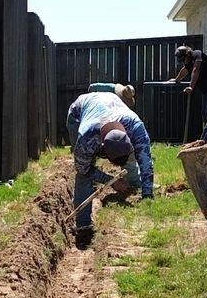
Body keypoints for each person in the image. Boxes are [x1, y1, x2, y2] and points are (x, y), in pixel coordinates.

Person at [65, 88, 154, 242]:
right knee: (84, 174)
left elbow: (145, 161)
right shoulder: (87, 137)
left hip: (109, 103)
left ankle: (134, 185)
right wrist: (109, 181)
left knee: (137, 157)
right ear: (103, 149)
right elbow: (83, 169)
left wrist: (148, 195)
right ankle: (83, 225)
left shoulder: (136, 127)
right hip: (78, 113)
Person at [171, 45, 207, 140]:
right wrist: (176, 80)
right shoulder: (188, 62)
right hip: (206, 89)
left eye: (184, 60)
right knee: (204, 113)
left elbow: (196, 70)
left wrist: (191, 87)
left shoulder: (197, 54)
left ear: (187, 54)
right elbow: (184, 71)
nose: (184, 62)